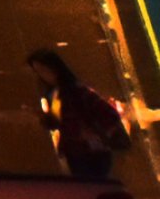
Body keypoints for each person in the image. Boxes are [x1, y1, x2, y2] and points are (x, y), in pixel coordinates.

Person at [33, 48, 135, 182]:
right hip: (76, 151)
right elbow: (61, 123)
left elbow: (108, 114)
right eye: (39, 72)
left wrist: (95, 133)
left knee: (91, 187)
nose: (43, 75)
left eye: (44, 70)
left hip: (91, 152)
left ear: (56, 68)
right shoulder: (55, 94)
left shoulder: (76, 92)